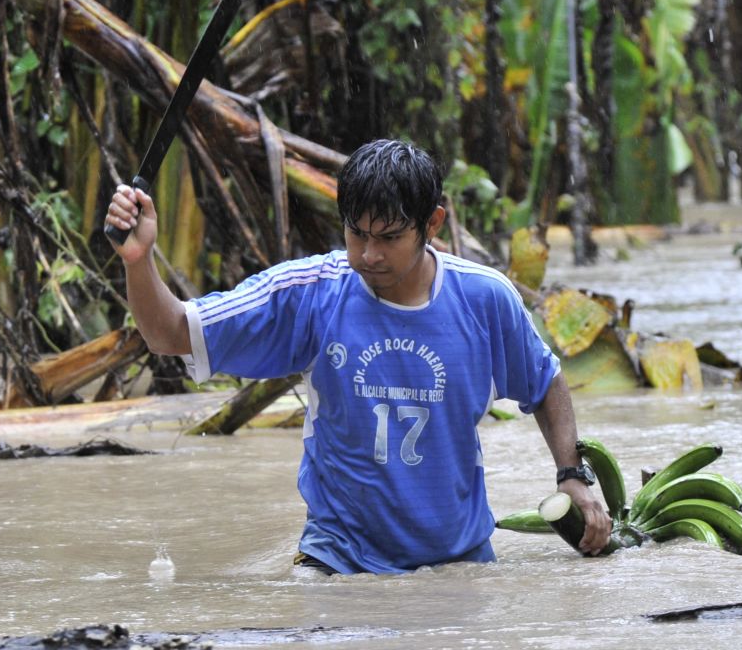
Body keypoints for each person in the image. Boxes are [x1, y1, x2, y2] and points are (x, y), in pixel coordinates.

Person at [104, 138, 611, 574]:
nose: (368, 255)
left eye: (389, 238)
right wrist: (139, 259)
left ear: (432, 223)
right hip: (338, 564)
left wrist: (573, 475)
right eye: (356, 233)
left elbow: (545, 382)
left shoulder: (485, 298)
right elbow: (169, 333)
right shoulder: (309, 294)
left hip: (460, 565)